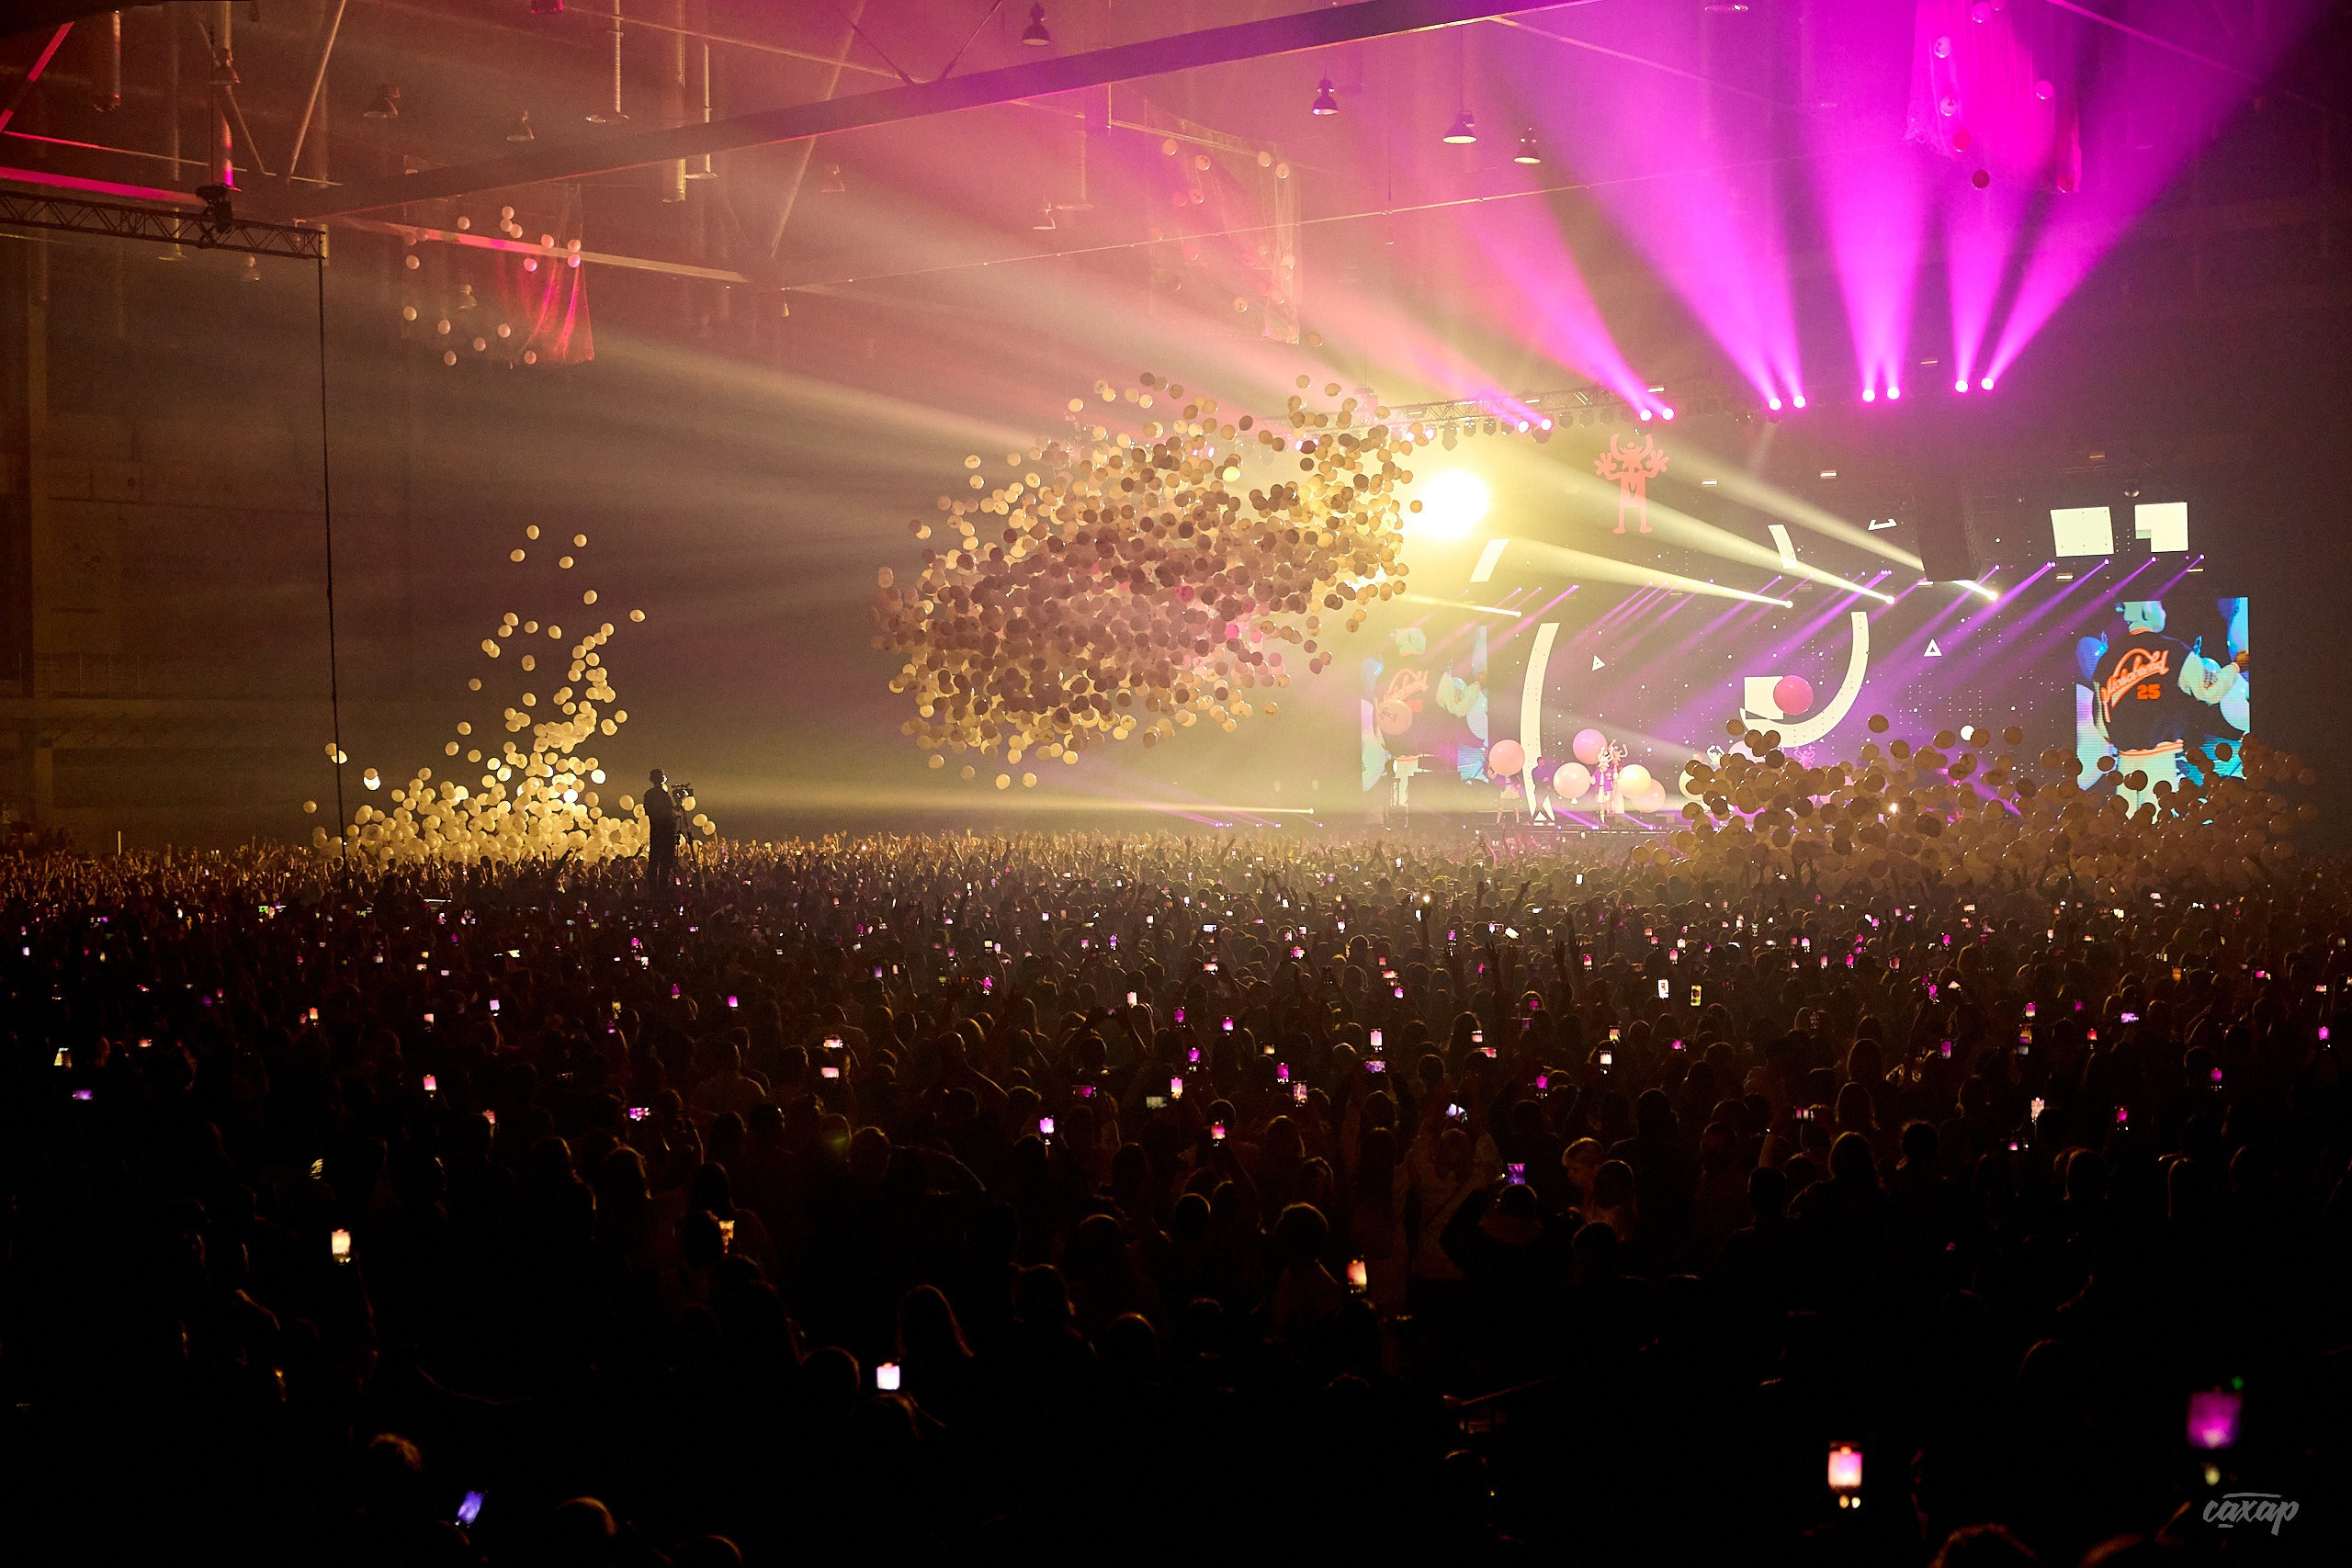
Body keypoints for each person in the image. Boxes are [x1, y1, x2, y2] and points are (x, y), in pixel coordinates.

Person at [645, 766, 681, 891]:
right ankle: (662, 889)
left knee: (654, 862)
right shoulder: (663, 795)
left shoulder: (648, 795)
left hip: (655, 834)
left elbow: (649, 812)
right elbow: (669, 813)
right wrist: (678, 807)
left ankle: (653, 888)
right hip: (666, 834)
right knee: (665, 862)